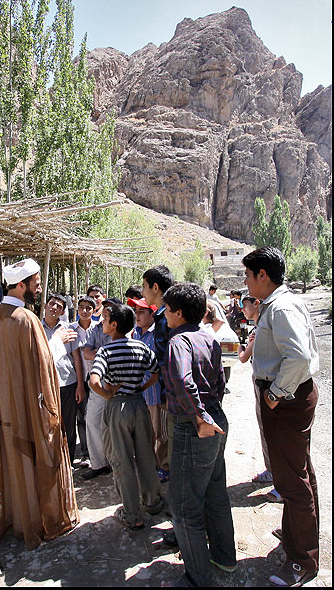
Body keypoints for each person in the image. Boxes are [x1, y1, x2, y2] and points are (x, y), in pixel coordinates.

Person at [0, 257, 79, 550]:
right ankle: (37, 520)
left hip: (9, 404)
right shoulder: (27, 319)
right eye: (36, 283)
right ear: (21, 286)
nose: (39, 287)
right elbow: (42, 362)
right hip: (28, 406)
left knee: (14, 457)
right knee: (36, 456)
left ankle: (18, 518)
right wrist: (57, 339)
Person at [243, 246, 319, 587]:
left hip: (286, 400)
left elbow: (299, 358)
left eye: (248, 275)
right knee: (299, 470)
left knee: (291, 481)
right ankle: (297, 535)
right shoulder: (278, 304)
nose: (245, 282)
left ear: (263, 275)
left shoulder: (281, 307)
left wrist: (274, 395)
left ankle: (303, 560)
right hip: (289, 398)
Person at [162, 282, 236, 587]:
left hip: (196, 426)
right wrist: (208, 413)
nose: (164, 314)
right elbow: (219, 382)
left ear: (179, 313)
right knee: (216, 493)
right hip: (216, 417)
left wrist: (198, 417)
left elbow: (181, 380)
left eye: (167, 309)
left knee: (183, 507)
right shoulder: (209, 338)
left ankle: (197, 578)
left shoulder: (178, 341)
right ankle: (224, 558)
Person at [89, 303, 164, 530]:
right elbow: (156, 371)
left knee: (121, 459)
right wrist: (141, 387)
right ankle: (152, 501)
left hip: (117, 407)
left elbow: (94, 381)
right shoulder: (140, 347)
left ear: (114, 325)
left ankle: (132, 513)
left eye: (105, 319)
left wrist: (108, 393)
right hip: (138, 404)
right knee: (145, 455)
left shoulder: (106, 351)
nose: (102, 322)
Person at [237, 296, 282, 502]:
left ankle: (280, 478)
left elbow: (244, 357)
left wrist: (239, 347)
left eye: (245, 305)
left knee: (273, 432)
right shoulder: (258, 328)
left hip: (269, 385)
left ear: (256, 304)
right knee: (266, 429)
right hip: (262, 382)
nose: (242, 309)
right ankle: (273, 471)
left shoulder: (262, 328)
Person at [81, 297, 123, 480]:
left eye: (111, 308)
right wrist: (105, 353)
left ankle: (120, 463)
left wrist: (100, 353)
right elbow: (86, 353)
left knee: (118, 424)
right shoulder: (96, 329)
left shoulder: (124, 328)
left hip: (119, 381)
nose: (106, 311)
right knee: (92, 421)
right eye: (104, 308)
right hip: (98, 380)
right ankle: (99, 463)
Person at [42, 293, 85, 466]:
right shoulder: (36, 328)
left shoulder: (68, 329)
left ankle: (68, 462)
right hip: (45, 384)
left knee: (68, 424)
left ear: (62, 311)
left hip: (68, 383)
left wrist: (80, 386)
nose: (54, 308)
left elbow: (77, 358)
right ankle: (50, 462)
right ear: (45, 306)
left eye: (59, 306)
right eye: (52, 304)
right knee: (48, 424)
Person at [128, 296, 169, 480]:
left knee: (159, 432)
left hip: (154, 392)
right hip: (139, 392)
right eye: (136, 312)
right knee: (144, 433)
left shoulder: (158, 334)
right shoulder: (135, 333)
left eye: (141, 312)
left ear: (152, 314)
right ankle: (149, 465)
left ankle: (164, 467)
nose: (137, 316)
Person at [141, 265, 174, 478]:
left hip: (169, 393)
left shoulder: (165, 319)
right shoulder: (167, 314)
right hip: (169, 391)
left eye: (144, 287)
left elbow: (168, 362)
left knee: (168, 435)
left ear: (155, 287)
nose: (143, 292)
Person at [68, 295, 98, 468]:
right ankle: (86, 452)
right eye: (81, 307)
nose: (84, 311)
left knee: (95, 417)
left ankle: (97, 453)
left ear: (94, 311)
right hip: (78, 379)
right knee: (81, 416)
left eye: (88, 308)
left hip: (96, 378)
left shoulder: (99, 329)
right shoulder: (70, 329)